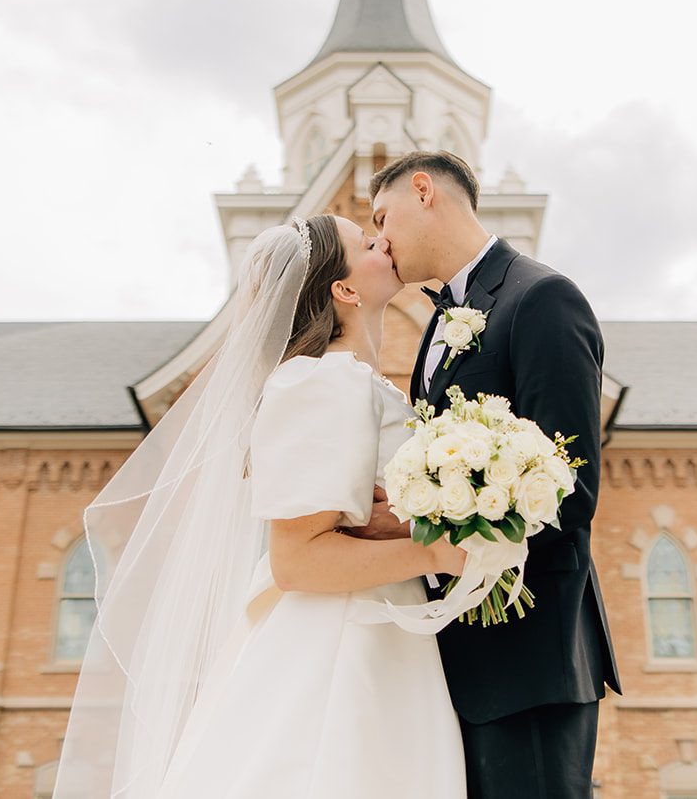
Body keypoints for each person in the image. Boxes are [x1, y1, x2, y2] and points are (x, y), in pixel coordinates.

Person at [54, 214, 467, 798]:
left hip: (384, 627)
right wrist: (438, 551)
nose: (386, 242)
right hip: (339, 639)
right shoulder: (322, 381)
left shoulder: (354, 381)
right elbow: (297, 560)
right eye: (368, 243)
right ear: (345, 290)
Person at [361, 149, 622, 799]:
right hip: (460, 655)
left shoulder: (541, 298)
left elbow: (569, 489)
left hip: (528, 655)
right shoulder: (441, 321)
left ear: (424, 191)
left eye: (382, 216)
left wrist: (415, 524)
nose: (379, 239)